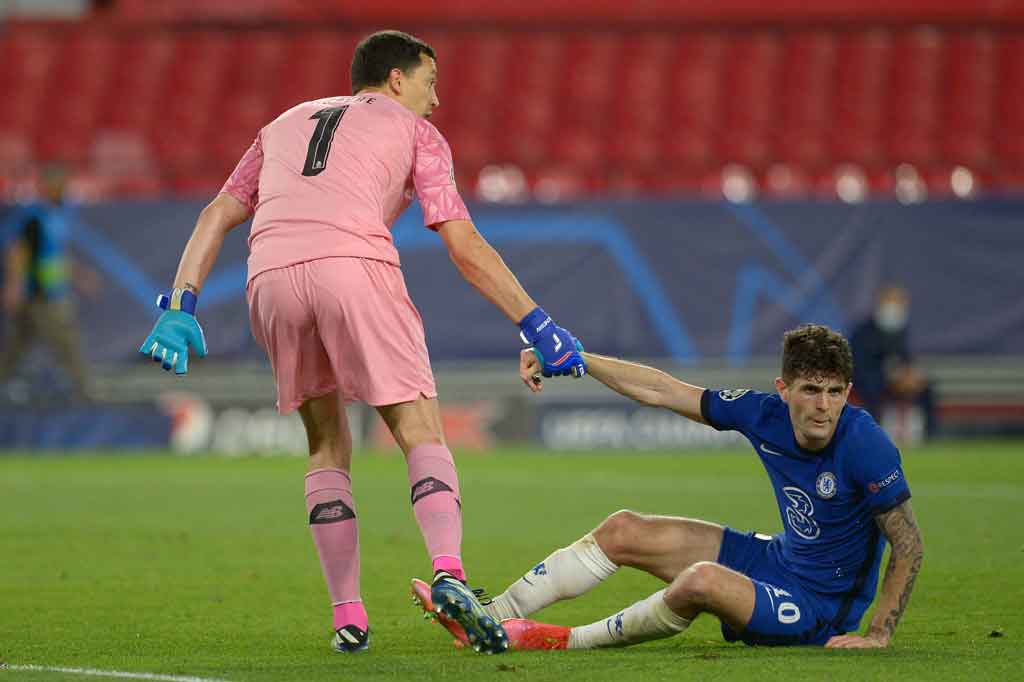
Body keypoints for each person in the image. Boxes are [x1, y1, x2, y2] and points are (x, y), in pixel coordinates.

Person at [138, 30, 585, 655]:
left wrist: (183, 303)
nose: (436, 101)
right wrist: (536, 322)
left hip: (268, 275)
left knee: (325, 440)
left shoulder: (282, 123)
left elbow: (217, 212)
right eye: (430, 84)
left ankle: (348, 617)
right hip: (352, 263)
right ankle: (450, 576)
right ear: (397, 80)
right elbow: (462, 244)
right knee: (418, 427)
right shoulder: (416, 133)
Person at [414, 325, 923, 651]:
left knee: (701, 580)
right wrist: (579, 360)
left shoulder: (864, 443)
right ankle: (485, 618)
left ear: (847, 394)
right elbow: (663, 390)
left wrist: (877, 635)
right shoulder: (761, 415)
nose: (823, 406)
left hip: (819, 611)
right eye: (811, 390)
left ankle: (559, 642)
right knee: (624, 529)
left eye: (835, 392)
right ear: (783, 389)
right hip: (779, 562)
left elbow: (908, 542)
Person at [0, 165, 95, 403]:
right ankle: (85, 393)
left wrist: (78, 275)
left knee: (17, 346)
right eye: (59, 185)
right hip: (41, 294)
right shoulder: (34, 217)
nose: (63, 190)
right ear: (48, 187)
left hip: (49, 292)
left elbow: (55, 255)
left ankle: (83, 390)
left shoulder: (55, 217)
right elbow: (17, 250)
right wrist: (14, 284)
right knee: (67, 342)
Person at [850, 285, 936, 440]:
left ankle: (929, 435)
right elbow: (859, 366)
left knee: (926, 388)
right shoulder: (863, 331)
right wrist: (889, 376)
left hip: (894, 381)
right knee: (873, 387)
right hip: (867, 380)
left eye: (899, 303)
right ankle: (874, 434)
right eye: (891, 302)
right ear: (880, 304)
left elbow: (905, 358)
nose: (895, 308)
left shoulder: (900, 331)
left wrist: (909, 374)